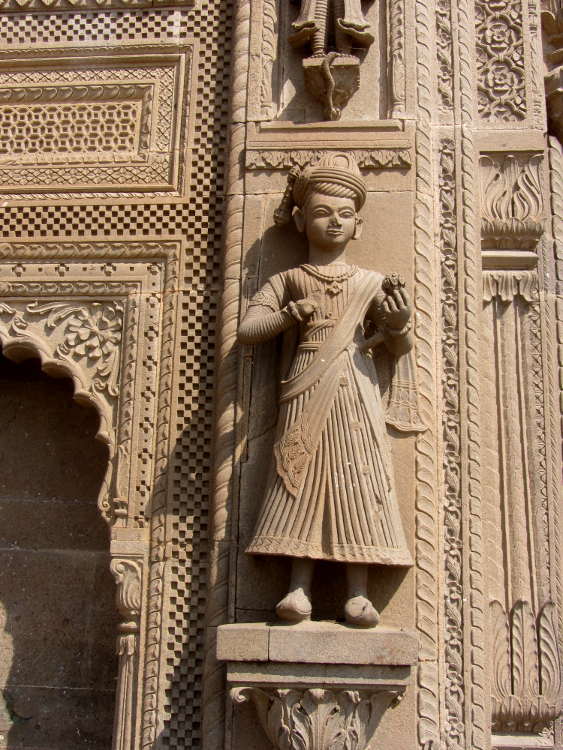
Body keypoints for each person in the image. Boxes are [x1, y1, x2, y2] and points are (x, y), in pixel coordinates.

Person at [238, 153, 422, 627]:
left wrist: (398, 325)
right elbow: (248, 329)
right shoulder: (288, 280)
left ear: (359, 225)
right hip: (305, 386)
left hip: (356, 388)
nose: (335, 221)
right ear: (301, 220)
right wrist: (288, 315)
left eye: (344, 214)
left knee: (358, 479)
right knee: (299, 478)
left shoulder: (371, 283)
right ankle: (297, 587)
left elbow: (399, 346)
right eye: (323, 212)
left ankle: (357, 592)